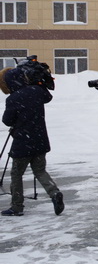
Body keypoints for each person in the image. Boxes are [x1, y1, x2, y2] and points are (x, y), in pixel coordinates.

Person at [0, 64, 64, 216]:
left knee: (16, 174)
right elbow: (48, 97)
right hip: (40, 139)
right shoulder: (37, 91)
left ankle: (17, 206)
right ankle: (54, 193)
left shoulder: (13, 98)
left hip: (22, 142)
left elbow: (7, 121)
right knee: (40, 171)